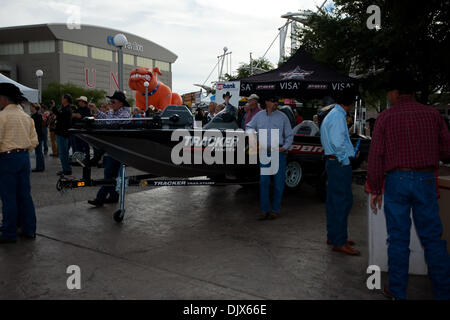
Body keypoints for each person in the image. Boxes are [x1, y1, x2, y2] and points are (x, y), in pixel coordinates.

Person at [367, 71, 450, 300]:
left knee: (398, 239)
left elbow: (376, 156)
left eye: (389, 92)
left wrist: (375, 188)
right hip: (425, 180)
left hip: (397, 181)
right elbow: (446, 149)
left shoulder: (386, 117)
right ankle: (444, 293)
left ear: (395, 93)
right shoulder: (433, 114)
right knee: (433, 239)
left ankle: (397, 292)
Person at [320, 90, 360, 256]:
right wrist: (346, 159)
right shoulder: (338, 116)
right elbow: (338, 143)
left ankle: (334, 236)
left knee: (333, 202)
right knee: (343, 202)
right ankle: (340, 241)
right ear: (351, 103)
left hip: (332, 162)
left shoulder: (333, 114)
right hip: (338, 163)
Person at [0, 83, 38, 243]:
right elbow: (34, 141)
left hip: (6, 158)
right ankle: (29, 229)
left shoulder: (2, 117)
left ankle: (9, 232)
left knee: (8, 197)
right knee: (24, 195)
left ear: (3, 99)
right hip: (23, 157)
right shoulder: (26, 117)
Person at [246, 96, 293, 220]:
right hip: (264, 153)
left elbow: (289, 135)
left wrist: (285, 147)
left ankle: (275, 210)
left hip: (279, 153)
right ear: (266, 102)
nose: (276, 103)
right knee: (264, 182)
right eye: (273, 100)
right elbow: (249, 127)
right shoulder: (259, 116)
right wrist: (252, 139)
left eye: (277, 101)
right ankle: (264, 210)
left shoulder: (283, 117)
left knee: (278, 183)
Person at [87, 91, 131, 207]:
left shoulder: (125, 113)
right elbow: (106, 119)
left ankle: (100, 198)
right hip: (112, 146)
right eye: (111, 101)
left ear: (121, 103)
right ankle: (113, 196)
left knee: (109, 173)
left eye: (113, 101)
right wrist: (96, 110)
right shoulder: (113, 112)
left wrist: (99, 115)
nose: (111, 103)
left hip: (119, 148)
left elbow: (111, 123)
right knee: (111, 174)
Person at [53, 94, 73, 175]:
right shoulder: (64, 109)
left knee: (63, 152)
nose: (61, 99)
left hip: (63, 133)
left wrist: (54, 108)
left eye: (62, 98)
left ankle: (66, 169)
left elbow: (61, 118)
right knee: (63, 152)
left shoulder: (67, 110)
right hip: (62, 133)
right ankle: (66, 169)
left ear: (66, 100)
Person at [72, 96, 92, 162]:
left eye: (80, 101)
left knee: (85, 145)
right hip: (77, 130)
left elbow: (81, 116)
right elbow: (73, 115)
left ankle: (86, 159)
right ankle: (79, 160)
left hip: (84, 130)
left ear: (83, 102)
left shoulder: (87, 109)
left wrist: (78, 115)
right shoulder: (78, 109)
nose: (78, 102)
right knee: (78, 146)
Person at [30, 103, 45, 172]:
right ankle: (40, 166)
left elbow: (37, 127)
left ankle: (40, 167)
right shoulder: (35, 115)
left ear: (34, 108)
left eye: (31, 107)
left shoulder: (37, 116)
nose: (30, 108)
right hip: (38, 135)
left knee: (38, 152)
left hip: (38, 135)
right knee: (39, 152)